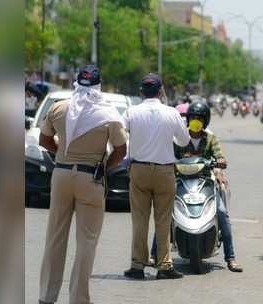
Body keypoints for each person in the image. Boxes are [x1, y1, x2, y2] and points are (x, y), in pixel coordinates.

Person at [38, 64, 127, 304]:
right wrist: (104, 166)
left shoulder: (59, 108)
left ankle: (46, 296)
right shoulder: (109, 115)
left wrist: (62, 153)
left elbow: (44, 139)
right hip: (91, 178)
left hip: (62, 174)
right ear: (99, 85)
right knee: (87, 241)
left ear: (77, 83)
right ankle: (78, 298)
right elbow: (121, 150)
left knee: (55, 236)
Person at [150, 101, 243, 272]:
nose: (195, 121)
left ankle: (230, 258)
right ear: (187, 119)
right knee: (166, 212)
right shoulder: (179, 138)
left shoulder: (211, 138)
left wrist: (220, 162)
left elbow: (219, 155)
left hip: (206, 181)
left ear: (205, 121)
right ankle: (154, 254)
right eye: (192, 117)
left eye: (199, 118)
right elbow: (169, 155)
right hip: (180, 181)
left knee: (222, 212)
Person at [124, 73, 190, 280]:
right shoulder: (171, 113)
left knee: (140, 220)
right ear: (161, 91)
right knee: (163, 221)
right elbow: (183, 141)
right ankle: (164, 266)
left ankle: (137, 266)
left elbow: (120, 136)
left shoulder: (130, 112)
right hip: (164, 172)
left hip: (139, 170)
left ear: (141, 91)